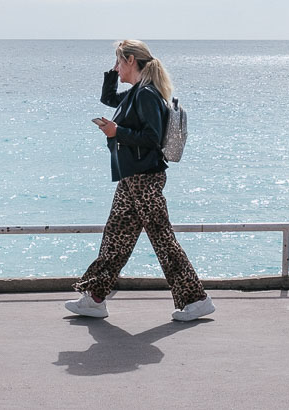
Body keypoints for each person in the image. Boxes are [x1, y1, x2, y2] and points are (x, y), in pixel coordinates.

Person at [65, 40, 215, 322]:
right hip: (132, 179)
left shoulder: (146, 95)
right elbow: (109, 99)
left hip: (145, 181)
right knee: (115, 239)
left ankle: (197, 300)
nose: (117, 67)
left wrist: (116, 132)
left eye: (119, 62)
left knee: (162, 240)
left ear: (132, 61)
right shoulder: (136, 92)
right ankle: (95, 299)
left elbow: (152, 139)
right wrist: (111, 75)